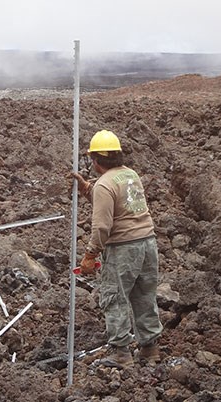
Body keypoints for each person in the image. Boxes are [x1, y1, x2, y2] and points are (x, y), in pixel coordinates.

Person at [71, 130, 163, 368]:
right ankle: (150, 348)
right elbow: (122, 201)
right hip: (148, 244)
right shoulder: (130, 174)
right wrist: (88, 189)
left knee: (115, 298)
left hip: (123, 248)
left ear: (96, 159)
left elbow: (102, 226)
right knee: (144, 295)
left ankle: (121, 353)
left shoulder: (104, 184)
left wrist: (90, 255)